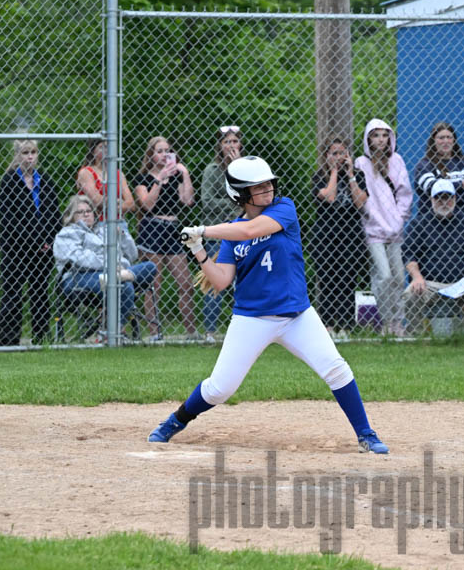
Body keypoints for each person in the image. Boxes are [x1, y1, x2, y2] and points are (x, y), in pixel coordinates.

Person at [146, 156, 389, 454]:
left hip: (297, 316)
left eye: (268, 184)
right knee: (219, 389)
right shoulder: (230, 234)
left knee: (336, 369)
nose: (267, 190)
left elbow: (250, 231)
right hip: (252, 319)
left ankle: (366, 434)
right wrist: (198, 250)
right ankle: (176, 420)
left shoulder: (283, 208)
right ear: (240, 194)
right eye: (257, 187)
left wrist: (204, 230)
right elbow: (221, 281)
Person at [402, 179, 464, 333]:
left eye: (448, 197)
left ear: (454, 198)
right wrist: (417, 277)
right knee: (409, 294)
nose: (444, 202)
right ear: (431, 200)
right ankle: (418, 335)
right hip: (430, 285)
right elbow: (409, 255)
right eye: (439, 198)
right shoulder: (419, 224)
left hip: (463, 285)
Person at [53, 195, 157, 327]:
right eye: (80, 212)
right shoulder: (67, 233)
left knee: (150, 267)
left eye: (89, 211)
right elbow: (79, 259)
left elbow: (132, 255)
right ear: (71, 216)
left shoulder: (104, 231)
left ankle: (118, 278)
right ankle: (115, 330)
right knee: (125, 286)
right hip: (78, 277)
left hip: (112, 273)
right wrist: (111, 264)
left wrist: (122, 235)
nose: (86, 214)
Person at [0, 139, 61, 346]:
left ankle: (41, 337)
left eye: (33, 152)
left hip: (42, 250)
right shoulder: (9, 182)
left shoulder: (46, 180)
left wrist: (48, 241)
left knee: (40, 292)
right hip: (16, 248)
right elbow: (9, 220)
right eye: (25, 153)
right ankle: (8, 340)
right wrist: (34, 241)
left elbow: (54, 215)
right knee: (12, 292)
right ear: (18, 155)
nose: (30, 157)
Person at [133, 136, 198, 340]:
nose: (164, 154)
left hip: (172, 230)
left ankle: (191, 332)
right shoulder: (142, 178)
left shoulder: (176, 177)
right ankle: (154, 333)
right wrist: (159, 179)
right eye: (159, 151)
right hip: (152, 229)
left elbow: (188, 200)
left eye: (167, 151)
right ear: (151, 155)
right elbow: (147, 204)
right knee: (154, 285)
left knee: (185, 283)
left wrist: (185, 174)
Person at [354, 118, 412, 336]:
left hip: (395, 229)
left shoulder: (397, 161)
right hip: (373, 229)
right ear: (368, 139)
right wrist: (370, 217)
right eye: (376, 135)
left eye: (385, 135)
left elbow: (405, 193)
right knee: (383, 276)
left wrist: (399, 218)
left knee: (398, 277)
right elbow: (362, 196)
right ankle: (386, 321)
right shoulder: (361, 163)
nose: (380, 139)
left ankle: (398, 322)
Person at [311, 137, 369, 336]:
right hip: (326, 237)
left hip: (350, 236)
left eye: (342, 153)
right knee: (327, 281)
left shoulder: (358, 175)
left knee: (347, 280)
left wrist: (350, 174)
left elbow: (360, 201)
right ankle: (327, 325)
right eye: (334, 153)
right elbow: (329, 197)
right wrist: (334, 172)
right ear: (326, 156)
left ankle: (345, 326)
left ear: (348, 155)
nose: (339, 157)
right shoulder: (319, 176)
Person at [200, 125, 245, 342]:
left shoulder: (245, 168)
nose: (231, 145)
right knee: (215, 280)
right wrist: (234, 205)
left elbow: (251, 195)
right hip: (218, 232)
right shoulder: (213, 170)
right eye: (227, 142)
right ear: (220, 145)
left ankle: (245, 325)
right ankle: (210, 331)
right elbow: (207, 201)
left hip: (242, 230)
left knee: (244, 279)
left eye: (235, 141)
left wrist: (239, 168)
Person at [412, 122, 464, 225]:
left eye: (449, 137)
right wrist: (461, 184)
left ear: (454, 140)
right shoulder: (424, 165)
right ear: (433, 141)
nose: (445, 141)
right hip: (433, 225)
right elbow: (431, 188)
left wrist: (444, 194)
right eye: (441, 138)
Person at [76, 138, 135, 219]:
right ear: (93, 152)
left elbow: (131, 204)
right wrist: (119, 202)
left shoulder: (118, 174)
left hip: (117, 222)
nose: (107, 150)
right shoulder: (86, 172)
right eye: (102, 147)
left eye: (109, 147)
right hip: (95, 222)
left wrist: (109, 205)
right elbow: (97, 201)